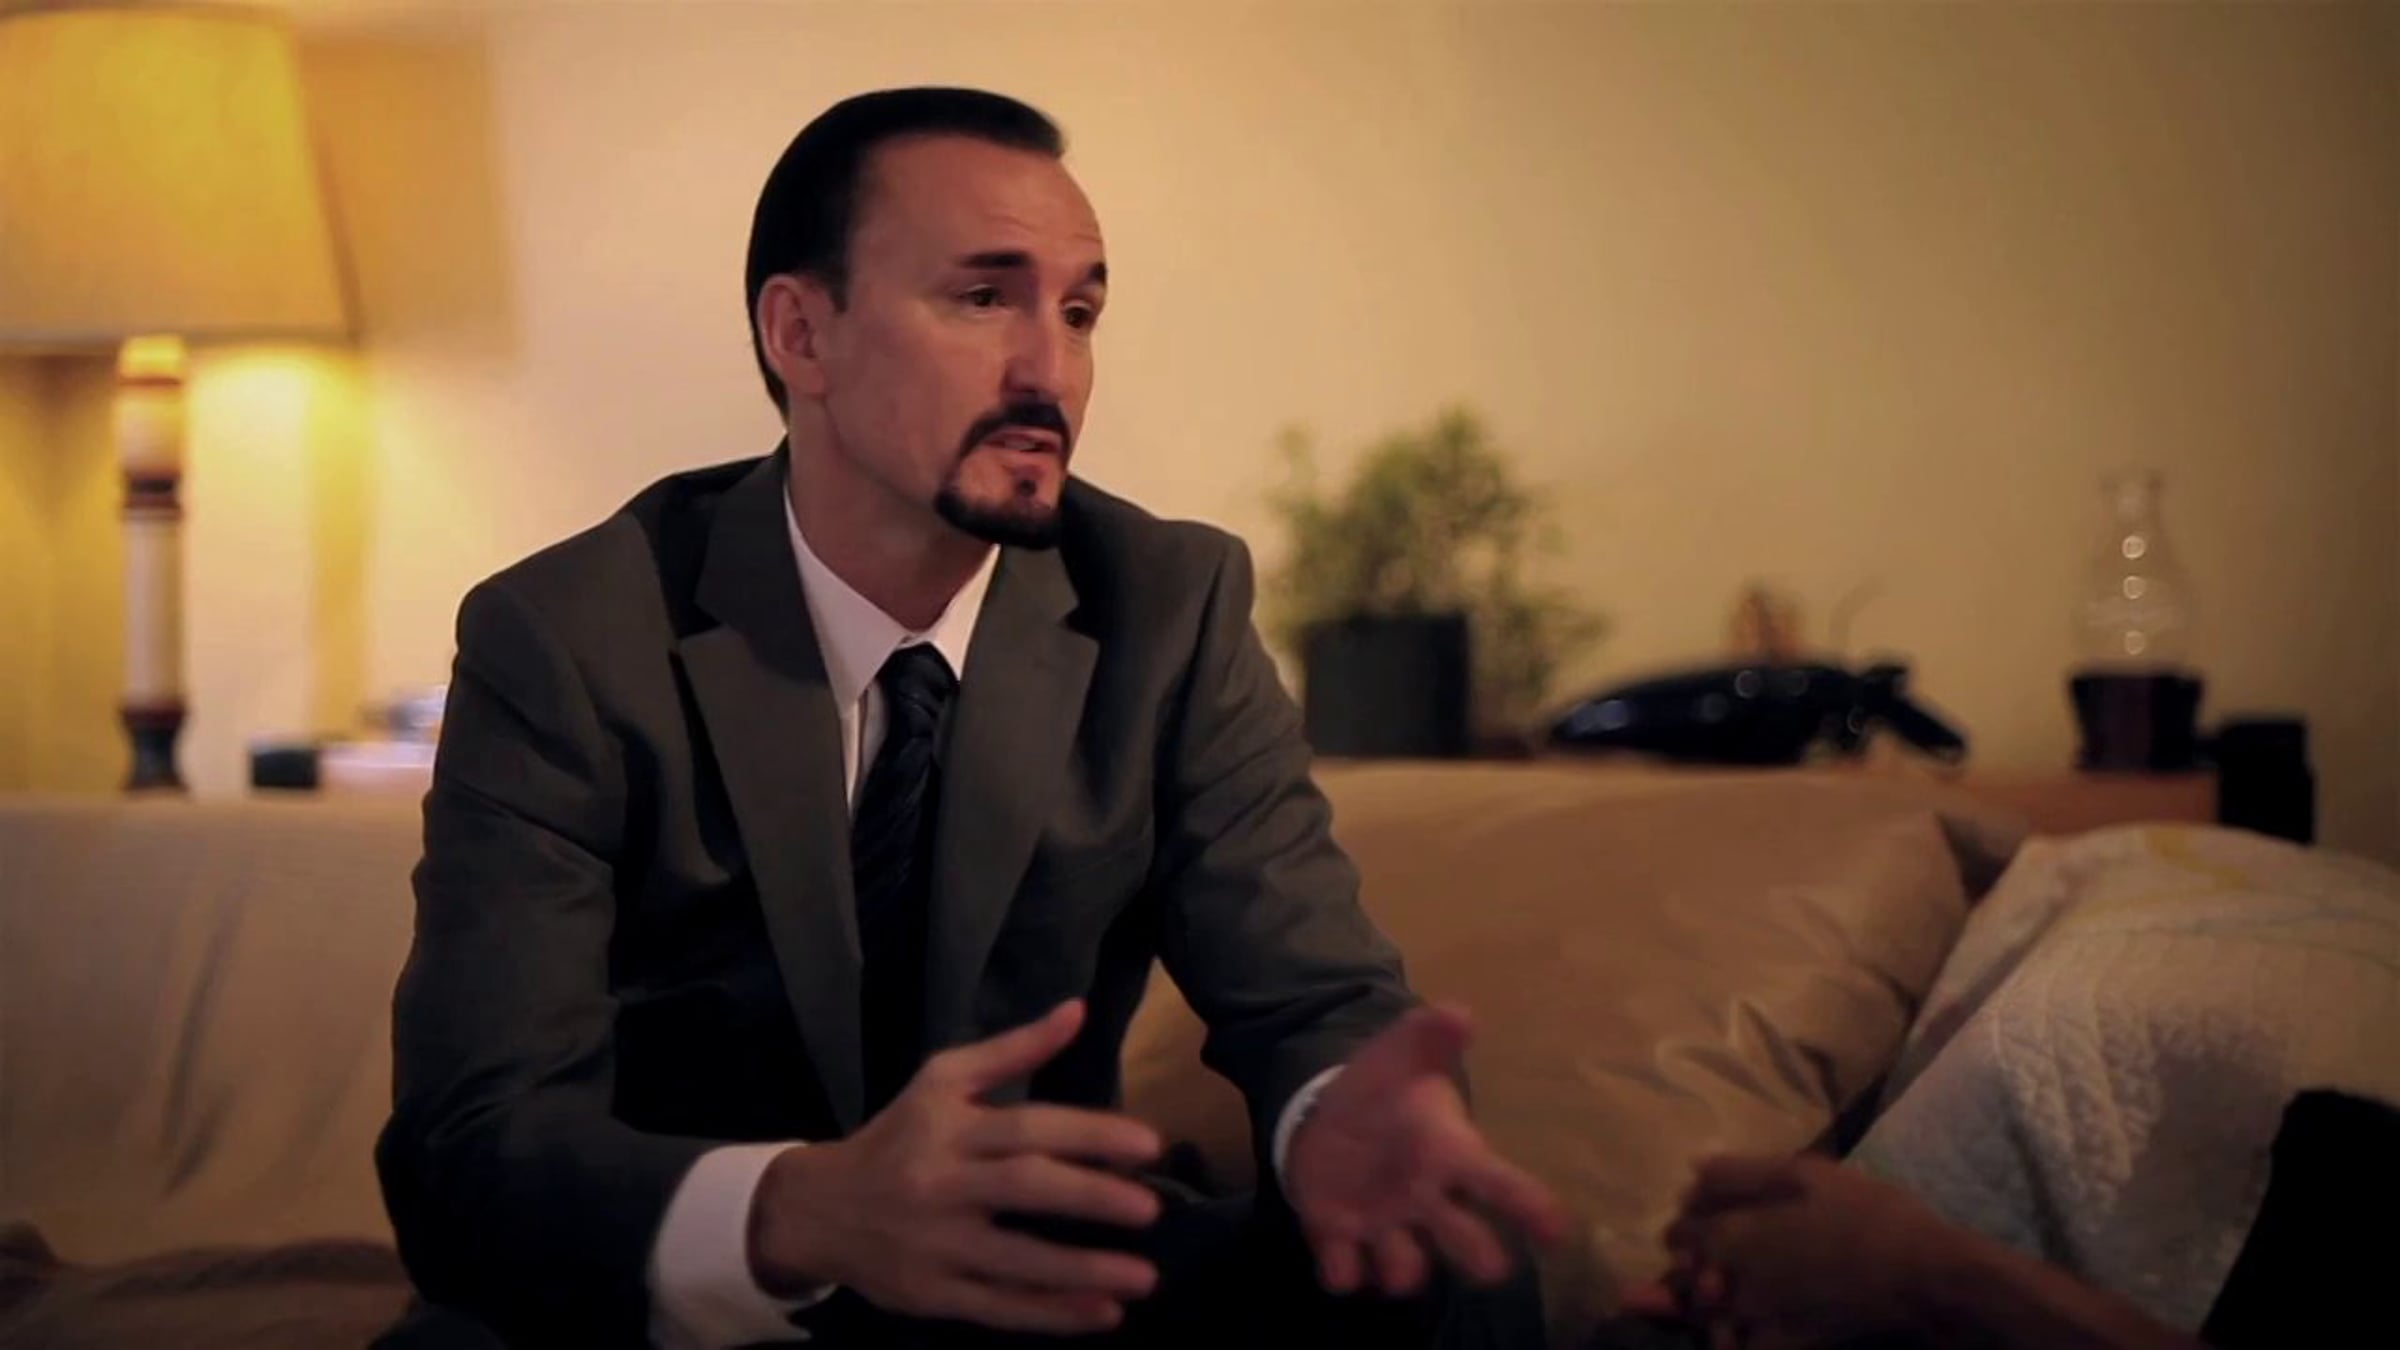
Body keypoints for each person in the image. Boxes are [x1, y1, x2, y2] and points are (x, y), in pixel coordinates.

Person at [373, 86, 1567, 1350]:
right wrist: (804, 1209)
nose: (1050, 371)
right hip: (713, 1292)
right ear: (801, 334)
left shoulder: (1167, 605)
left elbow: (1310, 991)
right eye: (984, 298)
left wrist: (1335, 1113)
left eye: (1080, 313)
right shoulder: (570, 636)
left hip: (1039, 1282)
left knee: (1444, 1273)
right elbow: (475, 1142)